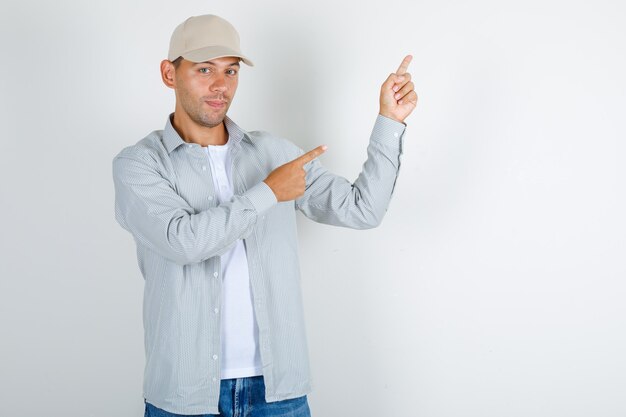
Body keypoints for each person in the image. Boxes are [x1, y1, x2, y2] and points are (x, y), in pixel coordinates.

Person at [112, 14, 417, 417]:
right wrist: (269, 192)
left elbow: (363, 209)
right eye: (204, 70)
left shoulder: (274, 153)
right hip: (184, 395)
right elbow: (183, 242)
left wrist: (389, 122)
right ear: (170, 73)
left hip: (279, 392)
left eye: (230, 71)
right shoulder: (139, 164)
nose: (221, 86)